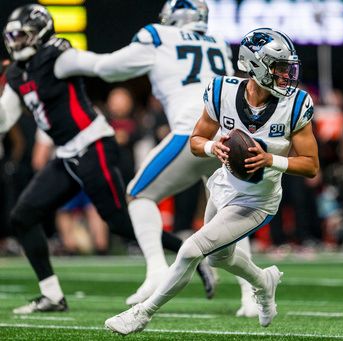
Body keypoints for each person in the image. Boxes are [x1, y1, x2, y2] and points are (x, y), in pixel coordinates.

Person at [103, 27, 319, 335]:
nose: (286, 75)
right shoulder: (222, 91)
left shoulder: (296, 104)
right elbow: (195, 140)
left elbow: (311, 166)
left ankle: (142, 313)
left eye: (288, 68)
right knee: (219, 257)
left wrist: (272, 159)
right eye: (279, 67)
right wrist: (211, 146)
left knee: (192, 250)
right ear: (255, 65)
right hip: (224, 187)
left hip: (257, 200)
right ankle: (263, 281)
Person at [55, 0, 258, 312]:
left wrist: (67, 60)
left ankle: (156, 270)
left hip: (193, 130)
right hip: (229, 133)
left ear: (172, 17)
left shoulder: (158, 35)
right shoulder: (217, 41)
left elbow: (106, 69)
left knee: (138, 195)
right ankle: (251, 296)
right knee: (230, 213)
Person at [0, 4, 202, 314]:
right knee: (22, 217)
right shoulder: (15, 73)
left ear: (39, 35)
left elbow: (102, 67)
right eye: (11, 36)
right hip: (66, 153)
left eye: (21, 35)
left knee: (119, 220)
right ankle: (52, 295)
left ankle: (191, 253)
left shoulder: (58, 56)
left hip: (94, 144)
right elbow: (4, 120)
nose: (15, 43)